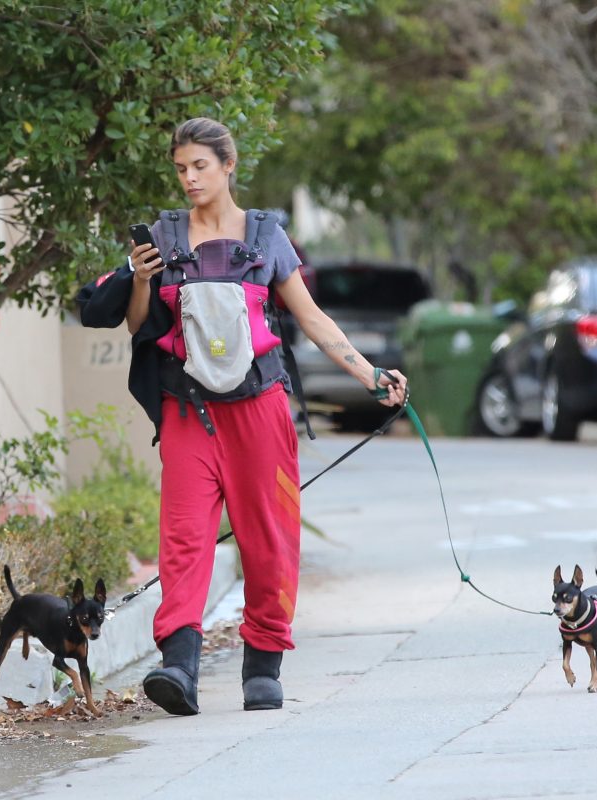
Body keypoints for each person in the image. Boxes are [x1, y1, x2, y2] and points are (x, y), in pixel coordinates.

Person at [77, 117, 407, 715]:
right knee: (183, 540)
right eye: (180, 168)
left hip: (261, 411)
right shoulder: (163, 234)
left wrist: (370, 374)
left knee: (269, 540)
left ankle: (263, 664)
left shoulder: (267, 236)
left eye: (200, 166)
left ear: (229, 165)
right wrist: (142, 280)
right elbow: (140, 327)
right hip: (187, 413)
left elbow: (309, 317)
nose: (189, 178)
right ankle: (178, 665)